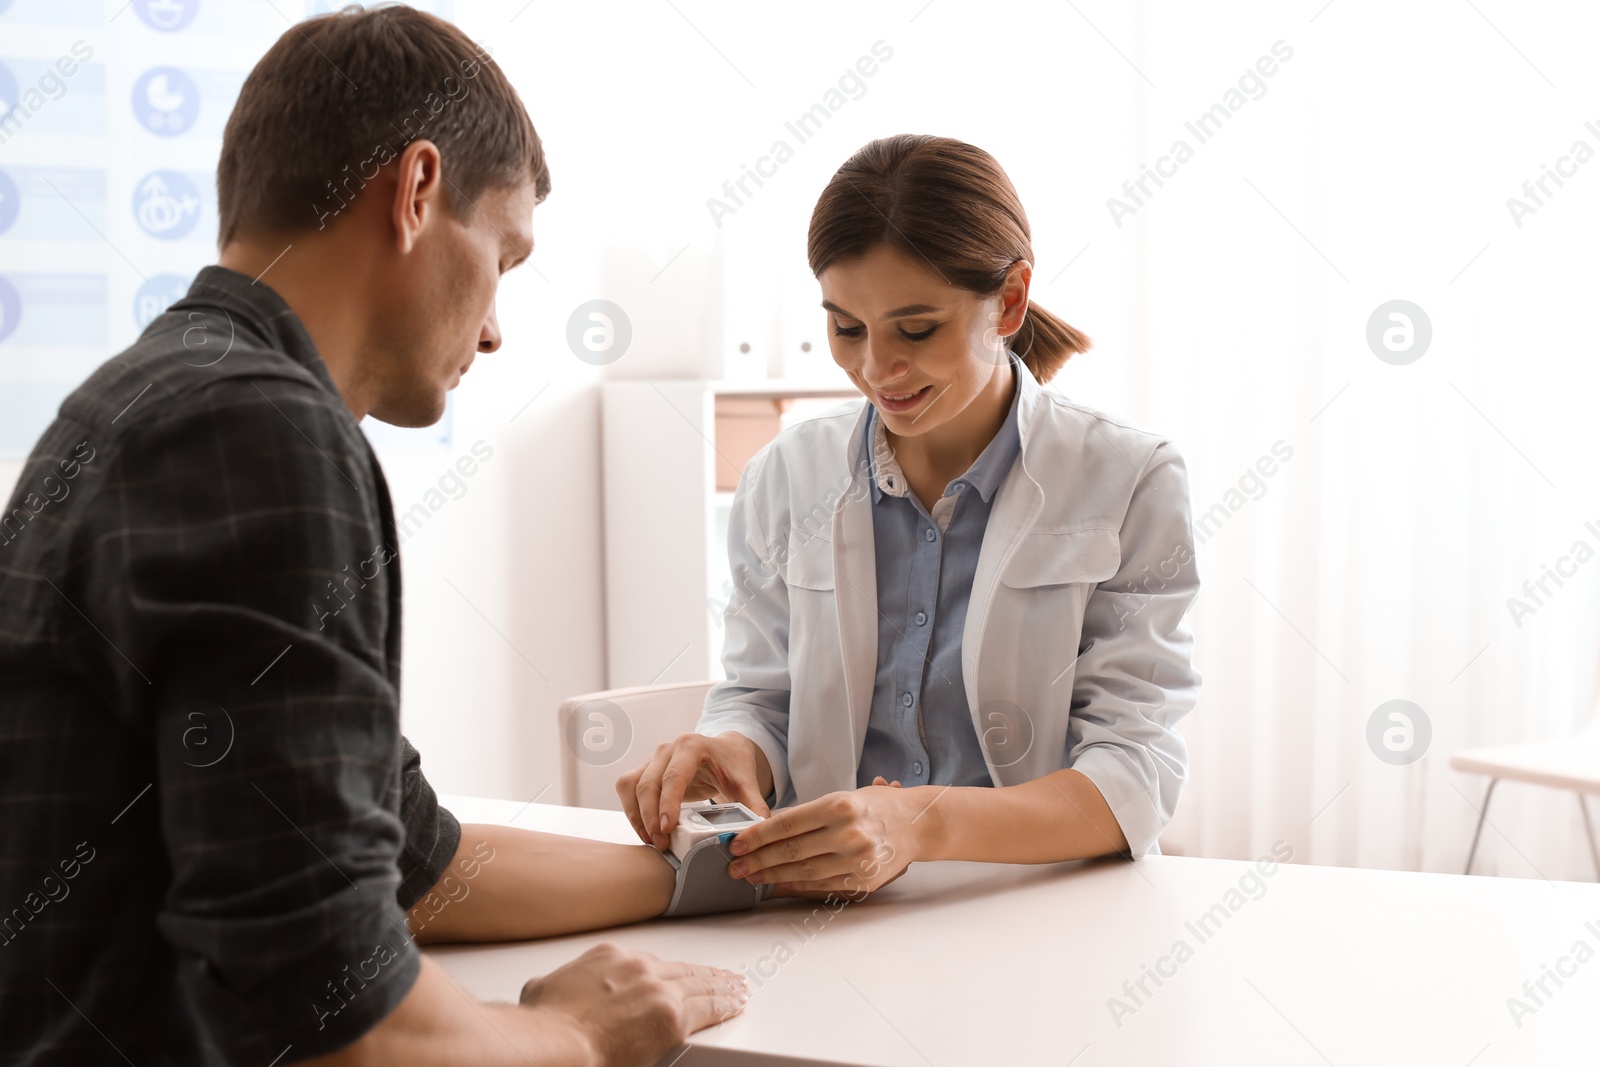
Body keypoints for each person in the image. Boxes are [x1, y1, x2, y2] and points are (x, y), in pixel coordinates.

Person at [0, 8, 744, 1066]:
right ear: (416, 192)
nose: (494, 327)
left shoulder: (141, 399)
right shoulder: (258, 430)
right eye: (505, 255)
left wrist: (727, 868)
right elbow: (340, 1018)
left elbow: (411, 858)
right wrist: (576, 1031)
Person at [619, 134, 1201, 897]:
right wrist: (734, 749)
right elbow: (763, 695)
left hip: (1039, 906)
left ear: (1012, 301)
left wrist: (919, 823)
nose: (875, 369)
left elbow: (1134, 768)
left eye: (916, 330)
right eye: (846, 328)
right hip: (834, 912)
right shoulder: (786, 477)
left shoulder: (1130, 477)